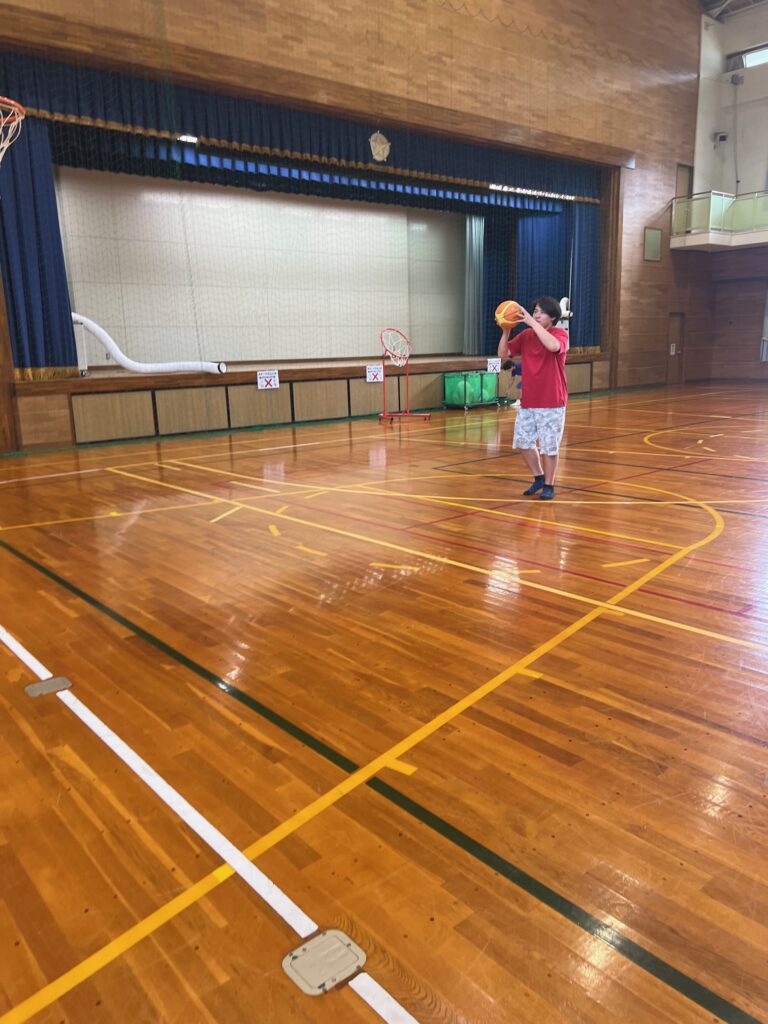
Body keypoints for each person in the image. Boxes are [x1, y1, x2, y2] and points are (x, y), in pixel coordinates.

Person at [497, 295, 569, 500]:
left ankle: (549, 485)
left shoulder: (560, 334)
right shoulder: (526, 336)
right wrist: (506, 330)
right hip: (529, 401)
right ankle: (539, 477)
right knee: (523, 442)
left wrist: (530, 322)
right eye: (535, 311)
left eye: (541, 312)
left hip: (552, 401)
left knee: (549, 447)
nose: (536, 315)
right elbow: (504, 353)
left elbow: (553, 347)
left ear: (553, 317)